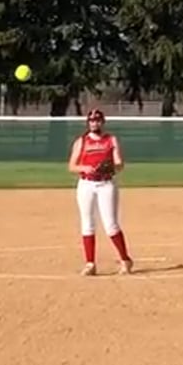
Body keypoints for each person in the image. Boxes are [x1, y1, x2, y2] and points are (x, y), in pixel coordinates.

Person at [68, 109, 133, 276]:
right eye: (91, 121)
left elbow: (119, 163)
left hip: (106, 184)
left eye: (97, 120)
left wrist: (111, 167)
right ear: (88, 123)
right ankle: (90, 263)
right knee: (87, 223)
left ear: (102, 122)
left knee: (110, 225)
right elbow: (72, 166)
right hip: (86, 184)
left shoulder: (110, 140)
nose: (94, 123)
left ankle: (125, 259)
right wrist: (85, 167)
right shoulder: (81, 141)